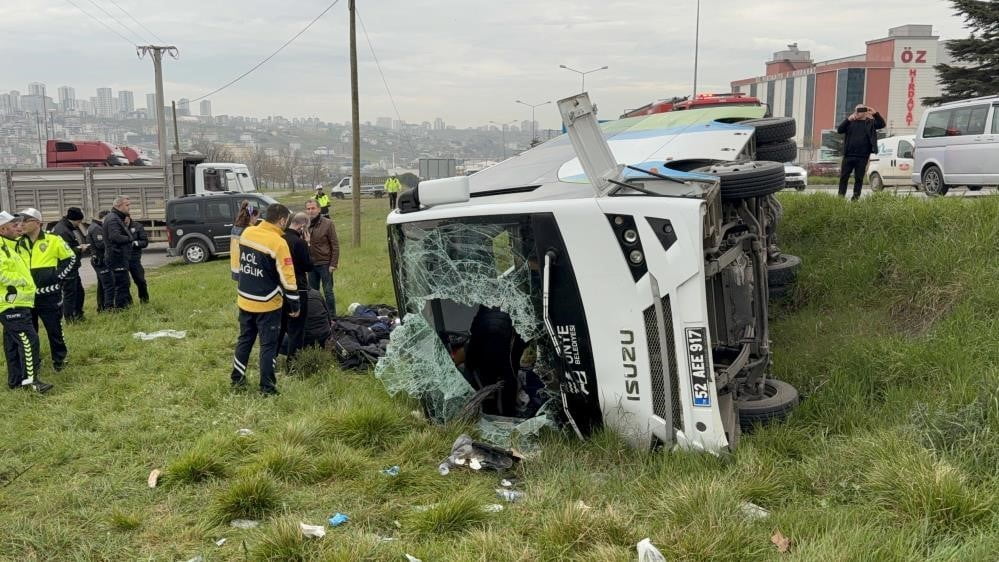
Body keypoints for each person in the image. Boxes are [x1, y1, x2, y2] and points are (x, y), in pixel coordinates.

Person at [231, 203, 299, 396]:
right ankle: (267, 388)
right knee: (268, 346)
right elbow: (288, 277)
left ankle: (237, 379)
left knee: (245, 340)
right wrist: (294, 304)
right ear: (282, 220)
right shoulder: (279, 243)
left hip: (244, 298)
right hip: (268, 303)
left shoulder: (247, 233)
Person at [15, 208, 75, 373]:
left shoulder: (53, 239)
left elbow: (70, 258)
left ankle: (60, 360)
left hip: (49, 295)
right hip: (26, 296)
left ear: (37, 222)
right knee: (30, 332)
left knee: (54, 329)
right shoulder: (18, 243)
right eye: (21, 220)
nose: (22, 224)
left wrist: (58, 276)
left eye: (26, 220)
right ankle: (34, 362)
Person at [0, 212, 51, 393]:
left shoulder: (11, 245)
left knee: (13, 343)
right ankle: (31, 382)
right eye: (14, 226)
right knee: (29, 340)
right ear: (3, 229)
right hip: (11, 304)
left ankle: (15, 382)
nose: (18, 227)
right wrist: (22, 281)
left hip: (18, 302)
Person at [280, 212, 313, 361]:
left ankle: (272, 360)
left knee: (280, 327)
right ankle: (292, 363)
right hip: (298, 288)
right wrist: (308, 244)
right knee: (296, 329)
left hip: (279, 288)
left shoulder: (280, 238)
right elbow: (308, 266)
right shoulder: (299, 243)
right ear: (302, 226)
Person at [837, 104, 886, 200]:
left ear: (865, 112)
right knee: (844, 178)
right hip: (848, 156)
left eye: (860, 110)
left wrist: (875, 114)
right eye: (856, 110)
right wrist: (848, 119)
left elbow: (882, 124)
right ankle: (840, 198)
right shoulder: (850, 122)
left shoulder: (870, 123)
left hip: (862, 157)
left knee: (859, 179)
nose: (857, 112)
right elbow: (840, 130)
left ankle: (855, 199)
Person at [51, 207, 88, 321]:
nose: (79, 224)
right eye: (79, 221)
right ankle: (70, 318)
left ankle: (77, 314)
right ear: (74, 219)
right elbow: (64, 251)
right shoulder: (62, 231)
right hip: (66, 267)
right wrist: (80, 249)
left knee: (79, 292)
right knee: (70, 294)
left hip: (71, 267)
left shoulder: (66, 227)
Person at [304, 198, 339, 316]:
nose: (310, 211)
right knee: (313, 293)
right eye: (308, 209)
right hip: (311, 265)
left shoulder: (328, 223)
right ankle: (317, 316)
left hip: (325, 264)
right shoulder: (304, 225)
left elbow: (335, 244)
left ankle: (332, 316)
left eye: (313, 208)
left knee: (328, 292)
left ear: (318, 209)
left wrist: (333, 264)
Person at [103, 196, 134, 309]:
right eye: (127, 205)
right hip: (116, 257)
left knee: (124, 283)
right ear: (118, 206)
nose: (129, 207)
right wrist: (130, 239)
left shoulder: (117, 217)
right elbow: (114, 236)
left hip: (120, 257)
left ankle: (125, 306)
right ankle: (121, 309)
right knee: (121, 284)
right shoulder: (113, 219)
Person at [86, 210, 113, 312]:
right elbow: (100, 245)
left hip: (98, 259)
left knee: (102, 285)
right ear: (104, 217)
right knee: (108, 284)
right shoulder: (96, 228)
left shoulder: (94, 226)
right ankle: (108, 308)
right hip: (100, 260)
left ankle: (101, 307)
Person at [229, 200, 260, 281]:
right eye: (257, 217)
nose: (257, 220)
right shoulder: (250, 230)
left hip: (235, 265)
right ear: (252, 216)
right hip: (246, 266)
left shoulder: (235, 227)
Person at [125, 216, 150, 303]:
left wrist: (136, 243)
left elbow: (145, 242)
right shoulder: (117, 226)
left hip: (134, 258)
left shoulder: (137, 226)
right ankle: (128, 302)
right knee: (125, 283)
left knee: (140, 280)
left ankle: (144, 300)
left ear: (128, 217)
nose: (123, 220)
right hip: (122, 258)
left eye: (125, 218)